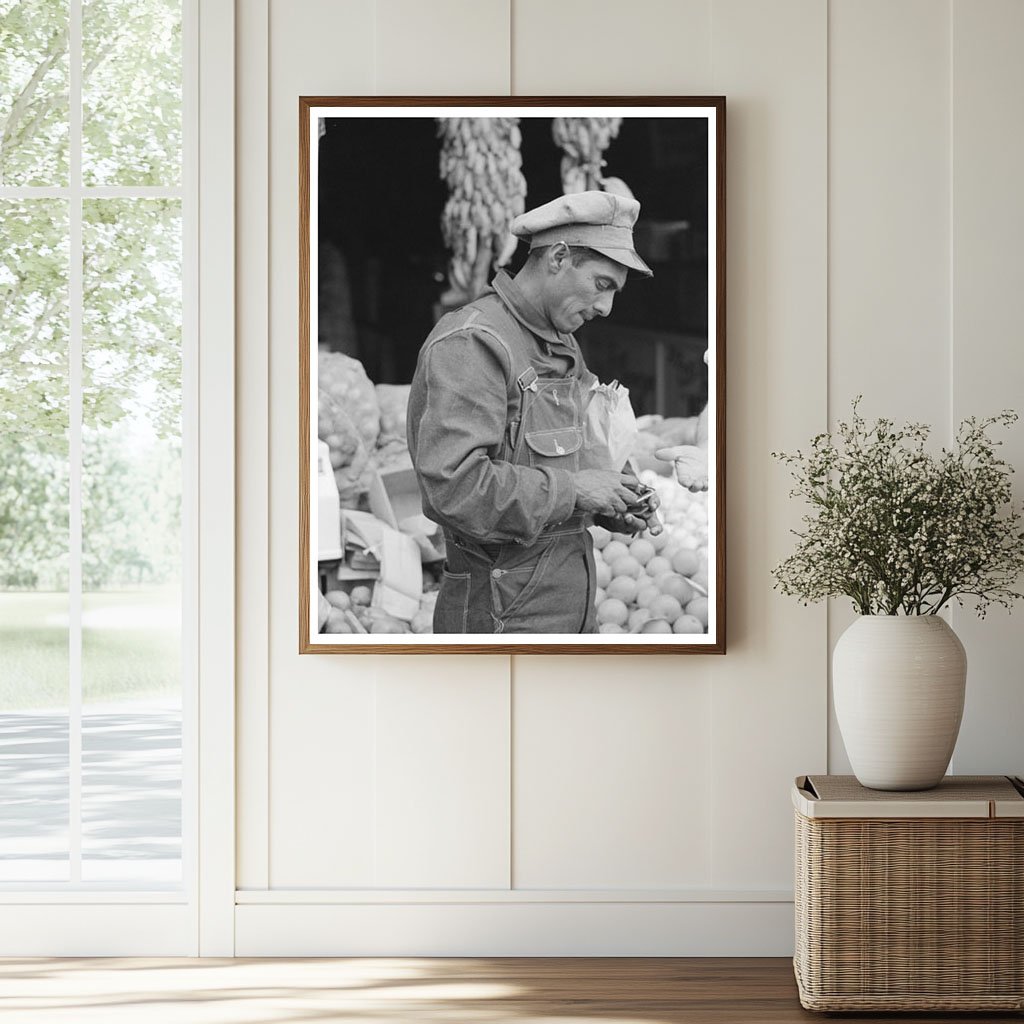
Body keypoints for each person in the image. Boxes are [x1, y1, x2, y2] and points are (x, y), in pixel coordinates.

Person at [408, 190, 659, 634]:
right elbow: (456, 488)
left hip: (564, 605)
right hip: (500, 615)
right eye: (602, 285)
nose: (606, 308)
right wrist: (577, 490)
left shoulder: (561, 343)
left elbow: (573, 457)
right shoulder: (473, 343)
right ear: (558, 258)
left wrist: (615, 499)